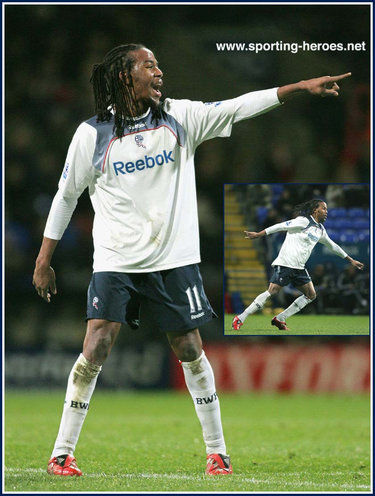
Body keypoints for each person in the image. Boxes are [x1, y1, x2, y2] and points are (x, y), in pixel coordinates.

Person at [32, 43, 352, 477]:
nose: (159, 72)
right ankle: (61, 453)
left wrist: (298, 86)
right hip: (116, 258)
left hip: (173, 258)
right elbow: (65, 196)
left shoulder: (181, 117)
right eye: (149, 65)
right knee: (97, 343)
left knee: (188, 347)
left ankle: (217, 452)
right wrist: (43, 260)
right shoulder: (92, 134)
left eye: (160, 64)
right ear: (126, 76)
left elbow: (240, 106)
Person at [232, 199, 364, 331]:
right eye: (323, 208)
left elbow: (332, 246)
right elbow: (281, 226)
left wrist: (350, 259)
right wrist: (259, 234)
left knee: (311, 294)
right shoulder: (303, 221)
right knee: (272, 291)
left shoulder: (320, 230)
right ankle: (240, 318)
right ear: (315, 210)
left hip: (299, 267)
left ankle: (280, 319)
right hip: (285, 263)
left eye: (327, 209)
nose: (326, 212)